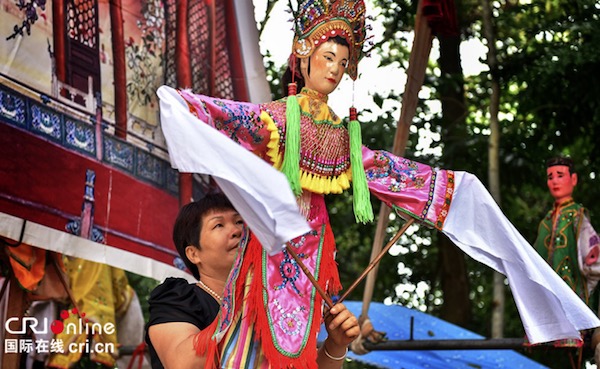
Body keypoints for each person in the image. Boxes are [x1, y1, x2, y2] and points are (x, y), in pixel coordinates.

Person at [157, 0, 600, 366]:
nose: (334, 69)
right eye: (328, 56)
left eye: (343, 62)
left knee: (319, 349)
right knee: (248, 345)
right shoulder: (274, 119)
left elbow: (386, 173)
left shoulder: (344, 138)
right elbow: (222, 115)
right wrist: (180, 104)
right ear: (302, 51)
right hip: (270, 254)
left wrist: (444, 189)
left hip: (313, 261)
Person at [145, 193, 360, 369]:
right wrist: (249, 304)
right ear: (193, 254)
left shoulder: (274, 300)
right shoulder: (178, 297)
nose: (238, 231)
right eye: (218, 225)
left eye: (240, 222)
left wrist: (336, 344)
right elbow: (182, 364)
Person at [533, 157, 600, 350]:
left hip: (572, 293)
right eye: (550, 177)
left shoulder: (577, 215)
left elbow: (593, 259)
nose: (554, 181)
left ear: (574, 179)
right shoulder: (546, 221)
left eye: (560, 175)